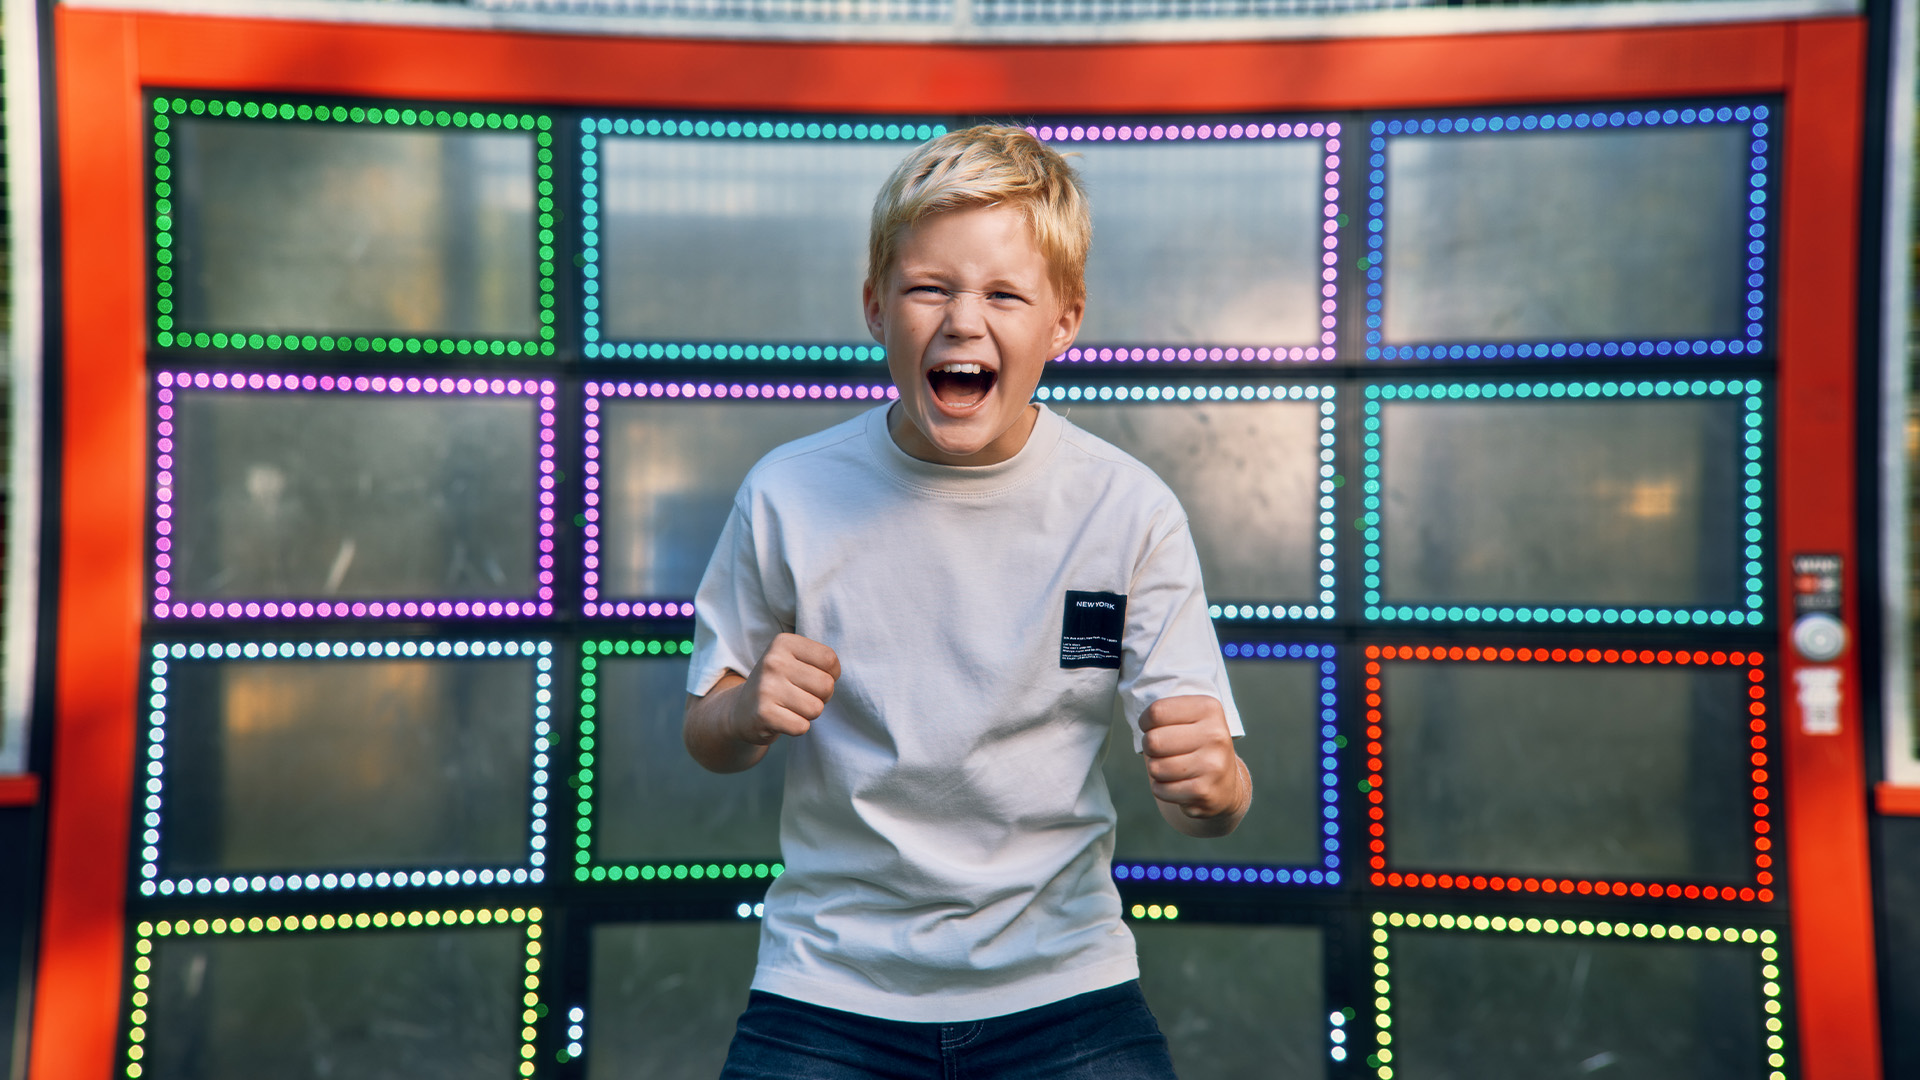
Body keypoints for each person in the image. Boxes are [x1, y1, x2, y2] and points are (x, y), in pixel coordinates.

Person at [683, 123, 1251, 1079]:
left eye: (1003, 294)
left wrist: (1217, 786)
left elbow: (1213, 802)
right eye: (930, 288)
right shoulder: (787, 493)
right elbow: (709, 734)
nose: (962, 320)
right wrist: (744, 709)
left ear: (1063, 321)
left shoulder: (1127, 510)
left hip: (1065, 989)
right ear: (875, 306)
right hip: (828, 990)